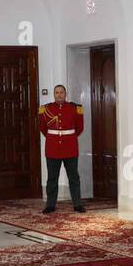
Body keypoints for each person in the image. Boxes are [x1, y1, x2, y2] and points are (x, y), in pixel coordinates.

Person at [39, 84, 85, 213]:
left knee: (74, 177)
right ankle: (50, 205)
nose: (59, 95)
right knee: (52, 178)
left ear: (65, 94)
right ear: (54, 94)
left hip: (70, 148)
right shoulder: (45, 109)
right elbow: (43, 128)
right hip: (52, 149)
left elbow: (79, 128)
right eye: (57, 92)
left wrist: (68, 137)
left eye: (61, 92)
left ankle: (77, 204)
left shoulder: (75, 108)